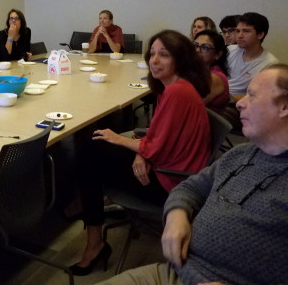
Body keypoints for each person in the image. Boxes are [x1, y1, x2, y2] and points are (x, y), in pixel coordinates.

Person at [101, 64, 288, 285]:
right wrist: (176, 215)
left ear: (286, 105)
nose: (239, 103)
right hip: (175, 273)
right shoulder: (240, 154)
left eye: (252, 96)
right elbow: (190, 187)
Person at [72, 30, 212, 276]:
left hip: (173, 182)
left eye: (164, 55)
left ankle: (93, 241)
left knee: (89, 153)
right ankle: (93, 227)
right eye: (153, 54)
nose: (154, 61)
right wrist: (141, 153)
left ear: (180, 60)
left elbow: (154, 145)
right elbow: (157, 137)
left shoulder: (176, 92)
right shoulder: (176, 87)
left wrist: (121, 140)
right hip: (172, 168)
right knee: (93, 149)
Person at [228, 12, 279, 101]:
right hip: (221, 96)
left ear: (260, 35)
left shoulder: (270, 64)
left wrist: (225, 98)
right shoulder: (230, 50)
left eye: (246, 31)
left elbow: (261, 97)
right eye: (237, 31)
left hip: (238, 104)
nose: (239, 36)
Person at [194, 30, 229, 113]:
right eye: (195, 45)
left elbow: (190, 106)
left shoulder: (215, 78)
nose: (197, 50)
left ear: (218, 54)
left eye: (205, 47)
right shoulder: (197, 71)